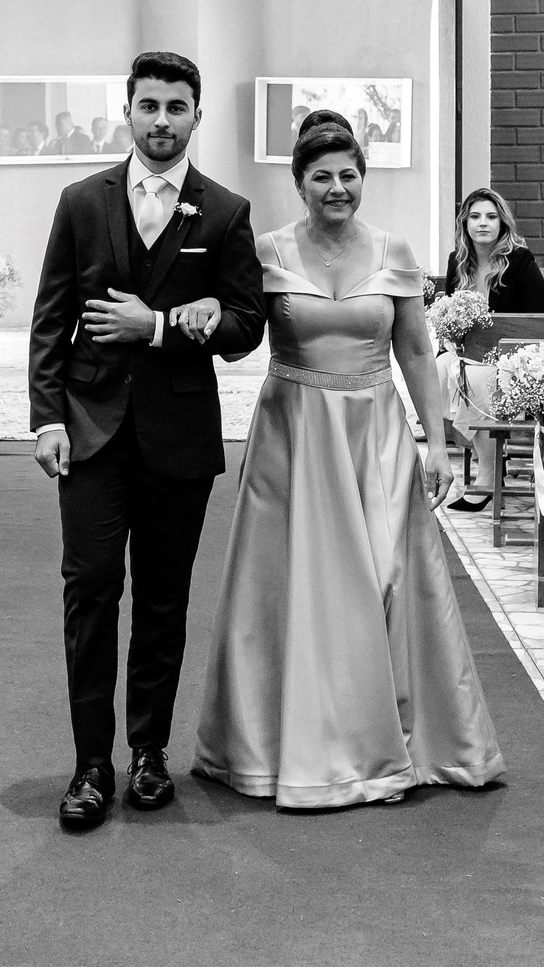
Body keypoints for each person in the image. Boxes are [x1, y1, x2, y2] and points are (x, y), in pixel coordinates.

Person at [193, 112, 504, 808]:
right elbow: (239, 333)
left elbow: (415, 350)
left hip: (375, 433)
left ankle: (400, 740)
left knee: (388, 575)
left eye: (348, 175)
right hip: (293, 433)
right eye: (322, 177)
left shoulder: (394, 250)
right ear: (299, 183)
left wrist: (437, 441)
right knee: (288, 584)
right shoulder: (267, 250)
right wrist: (211, 304)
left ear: (363, 177)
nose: (337, 187)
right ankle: (284, 746)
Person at [30, 51, 266, 831]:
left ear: (197, 115)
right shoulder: (80, 203)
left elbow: (246, 326)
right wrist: (48, 417)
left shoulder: (225, 212)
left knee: (164, 601)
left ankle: (150, 753)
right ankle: (91, 764)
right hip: (91, 433)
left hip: (178, 437)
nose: (161, 120)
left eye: (175, 107)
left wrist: (161, 325)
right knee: (90, 591)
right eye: (149, 105)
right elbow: (50, 320)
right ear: (127, 110)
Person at [444, 187, 544, 511]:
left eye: (491, 216)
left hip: (511, 358)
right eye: (475, 217)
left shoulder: (519, 260)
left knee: (473, 379)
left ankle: (488, 474)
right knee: (437, 370)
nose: (483, 223)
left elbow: (538, 318)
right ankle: (483, 459)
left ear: (502, 222)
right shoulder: (457, 261)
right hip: (465, 352)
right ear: (465, 223)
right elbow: (449, 315)